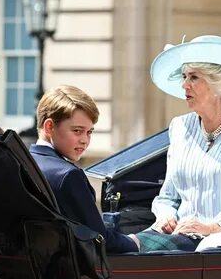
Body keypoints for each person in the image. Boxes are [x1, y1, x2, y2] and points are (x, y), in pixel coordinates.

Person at [131, 35, 221, 252]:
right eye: (184, 76)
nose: (184, 85)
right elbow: (167, 196)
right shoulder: (180, 127)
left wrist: (213, 227)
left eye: (194, 77)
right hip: (181, 236)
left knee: (139, 253)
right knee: (121, 248)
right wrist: (166, 216)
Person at [29, 85, 139, 253]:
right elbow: (99, 240)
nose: (85, 140)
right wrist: (135, 242)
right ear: (49, 126)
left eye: (89, 132)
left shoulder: (24, 162)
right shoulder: (68, 175)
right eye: (77, 131)